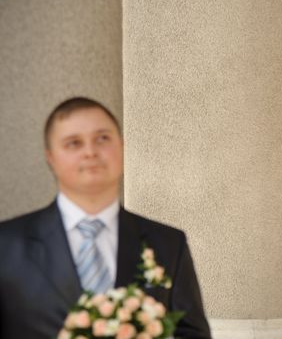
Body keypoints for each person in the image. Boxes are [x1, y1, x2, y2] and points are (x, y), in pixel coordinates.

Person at [0, 97, 211, 339]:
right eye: (73, 143)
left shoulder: (169, 243)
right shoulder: (6, 245)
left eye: (102, 138)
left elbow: (192, 334)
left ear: (122, 146)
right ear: (51, 157)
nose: (90, 152)